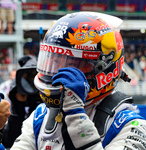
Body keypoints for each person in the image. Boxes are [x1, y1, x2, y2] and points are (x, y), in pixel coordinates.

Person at [11, 12, 146, 150]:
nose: (58, 74)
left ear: (104, 70)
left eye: (73, 65)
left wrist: (75, 116)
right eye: (54, 61)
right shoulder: (40, 116)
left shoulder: (133, 128)